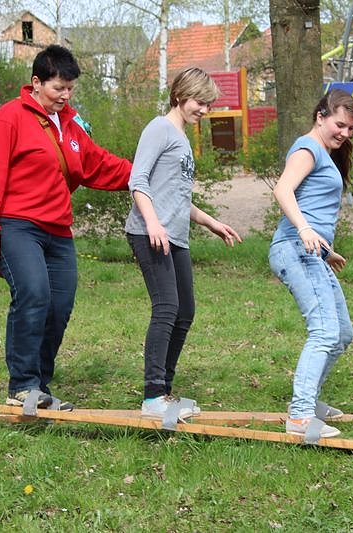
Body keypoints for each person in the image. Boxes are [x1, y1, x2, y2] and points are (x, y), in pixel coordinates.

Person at [0, 45, 132, 412]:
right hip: (16, 226)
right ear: (36, 83)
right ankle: (22, 385)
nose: (66, 95)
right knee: (33, 294)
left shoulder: (70, 126)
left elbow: (99, 164)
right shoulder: (7, 120)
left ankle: (39, 386)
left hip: (58, 230)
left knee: (59, 306)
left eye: (70, 88)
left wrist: (143, 174)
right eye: (59, 87)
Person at [126, 67, 242, 421]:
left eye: (208, 105)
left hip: (174, 235)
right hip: (149, 232)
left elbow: (177, 197)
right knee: (166, 308)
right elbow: (138, 180)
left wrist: (211, 222)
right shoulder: (159, 128)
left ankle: (164, 390)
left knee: (185, 311)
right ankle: (152, 396)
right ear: (179, 96)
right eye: (199, 102)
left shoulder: (181, 137)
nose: (204, 110)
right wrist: (152, 223)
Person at [269, 89, 353, 440]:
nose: (345, 133)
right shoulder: (307, 148)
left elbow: (313, 206)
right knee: (324, 331)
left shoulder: (324, 153)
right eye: (340, 125)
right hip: (294, 247)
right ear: (320, 116)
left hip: (312, 251)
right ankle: (300, 416)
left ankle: (308, 402)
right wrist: (305, 229)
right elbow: (283, 190)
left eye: (351, 129)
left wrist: (327, 250)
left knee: (342, 333)